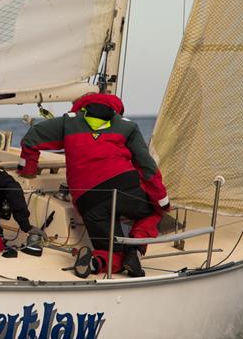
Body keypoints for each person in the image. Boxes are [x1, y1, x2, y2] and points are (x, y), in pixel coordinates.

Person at [18, 93, 169, 277]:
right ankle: (134, 249)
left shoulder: (68, 123)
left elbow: (32, 137)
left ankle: (96, 262)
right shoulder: (128, 126)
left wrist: (29, 169)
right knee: (154, 210)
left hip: (88, 197)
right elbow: (147, 166)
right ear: (116, 110)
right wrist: (161, 199)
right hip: (124, 187)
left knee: (111, 251)